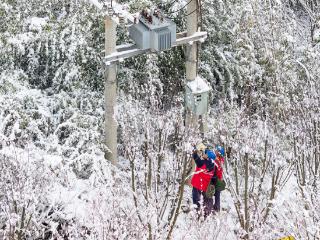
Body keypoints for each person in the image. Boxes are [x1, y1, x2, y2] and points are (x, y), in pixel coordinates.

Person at [190, 145, 215, 216]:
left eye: (205, 154)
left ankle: (197, 215)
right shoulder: (212, 165)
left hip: (197, 184)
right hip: (203, 186)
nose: (204, 154)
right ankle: (203, 213)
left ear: (208, 157)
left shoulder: (204, 163)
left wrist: (194, 151)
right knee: (202, 201)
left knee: (196, 200)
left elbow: (196, 158)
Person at [211, 145, 225, 212]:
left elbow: (216, 168)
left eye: (216, 150)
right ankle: (216, 208)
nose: (215, 151)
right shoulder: (220, 159)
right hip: (217, 178)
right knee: (217, 194)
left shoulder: (218, 160)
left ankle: (216, 208)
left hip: (216, 178)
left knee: (215, 193)